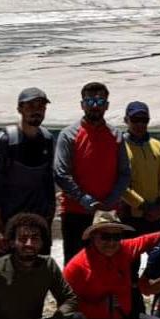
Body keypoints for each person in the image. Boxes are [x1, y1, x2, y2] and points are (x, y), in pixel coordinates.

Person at [54, 82, 131, 262]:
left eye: (100, 101)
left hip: (107, 214)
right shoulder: (69, 135)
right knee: (75, 262)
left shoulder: (116, 135)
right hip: (76, 212)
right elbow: (61, 174)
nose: (95, 106)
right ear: (82, 105)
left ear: (107, 105)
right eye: (90, 102)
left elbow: (125, 173)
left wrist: (110, 201)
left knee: (107, 261)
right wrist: (85, 200)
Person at [0, 87, 56, 261]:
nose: (36, 110)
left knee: (38, 274)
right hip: (9, 223)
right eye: (30, 106)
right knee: (4, 274)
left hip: (38, 221)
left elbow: (48, 181)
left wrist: (49, 220)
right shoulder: (4, 139)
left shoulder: (47, 139)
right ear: (20, 109)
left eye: (41, 106)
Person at [120, 101, 160, 235]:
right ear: (126, 120)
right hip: (130, 215)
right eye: (135, 120)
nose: (140, 124)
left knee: (159, 255)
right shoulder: (119, 147)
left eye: (144, 120)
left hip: (156, 215)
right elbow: (119, 183)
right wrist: (143, 206)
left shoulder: (156, 145)